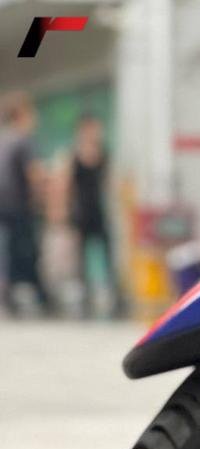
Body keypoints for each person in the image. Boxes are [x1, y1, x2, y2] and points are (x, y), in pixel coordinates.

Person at [0, 91, 52, 314]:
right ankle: (39, 296)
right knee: (27, 251)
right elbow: (34, 174)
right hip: (18, 206)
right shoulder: (24, 140)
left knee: (10, 250)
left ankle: (10, 293)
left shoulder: (4, 138)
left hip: (4, 205)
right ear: (21, 114)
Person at [69, 114, 122, 317]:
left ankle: (113, 296)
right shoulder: (74, 155)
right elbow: (67, 185)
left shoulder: (104, 154)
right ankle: (85, 297)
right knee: (80, 258)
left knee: (107, 254)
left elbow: (110, 183)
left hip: (100, 211)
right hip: (81, 212)